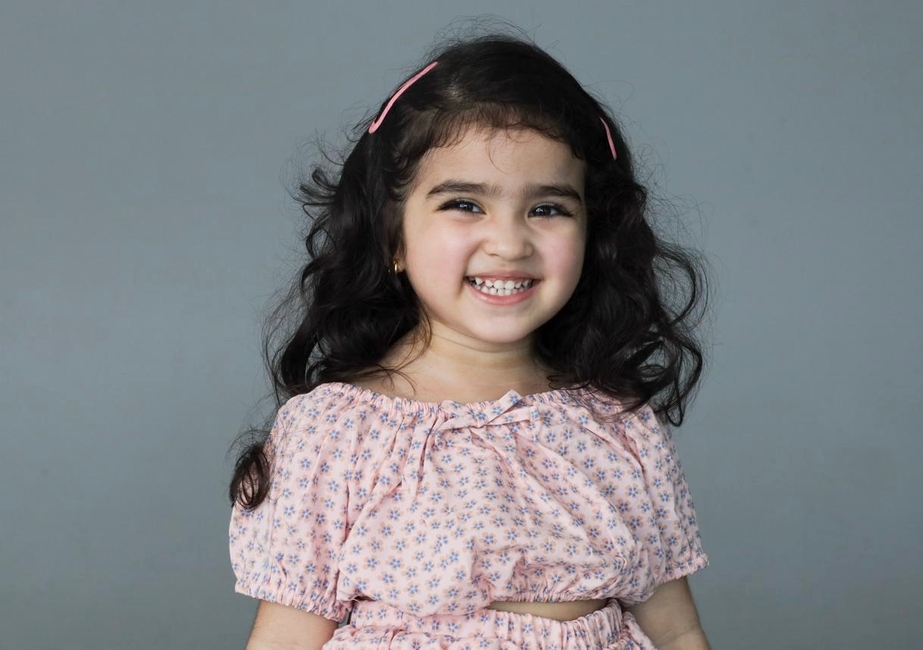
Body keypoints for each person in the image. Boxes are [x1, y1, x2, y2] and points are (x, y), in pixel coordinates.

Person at [229, 32, 711, 649]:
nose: (509, 243)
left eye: (548, 209)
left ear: (593, 235)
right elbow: (286, 639)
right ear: (392, 237)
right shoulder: (336, 433)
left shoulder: (615, 424)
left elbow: (678, 630)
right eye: (464, 203)